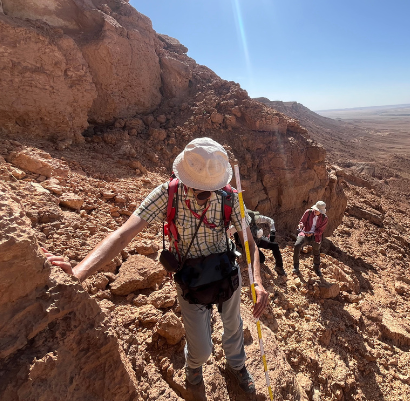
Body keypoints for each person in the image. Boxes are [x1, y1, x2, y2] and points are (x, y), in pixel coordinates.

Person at [44, 137, 268, 395]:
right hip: (191, 279)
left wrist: (257, 281)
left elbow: (249, 244)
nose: (203, 194)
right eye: (196, 187)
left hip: (225, 272)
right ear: (183, 177)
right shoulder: (167, 194)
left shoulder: (230, 198)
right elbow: (123, 235)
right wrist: (79, 272)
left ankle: (236, 366)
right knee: (202, 349)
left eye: (209, 188)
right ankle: (193, 366)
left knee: (233, 326)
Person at [233, 210, 286, 276]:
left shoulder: (254, 218)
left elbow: (270, 220)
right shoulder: (237, 225)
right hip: (247, 244)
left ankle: (279, 267)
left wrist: (272, 232)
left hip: (257, 239)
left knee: (274, 245)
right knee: (261, 259)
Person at [292, 201, 328, 276]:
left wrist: (313, 233)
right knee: (297, 245)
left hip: (316, 236)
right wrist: (301, 225)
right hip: (305, 233)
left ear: (321, 212)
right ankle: (296, 267)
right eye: (315, 209)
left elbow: (320, 231)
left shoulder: (324, 218)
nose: (315, 211)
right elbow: (302, 222)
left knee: (316, 251)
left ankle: (316, 268)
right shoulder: (308, 212)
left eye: (317, 210)